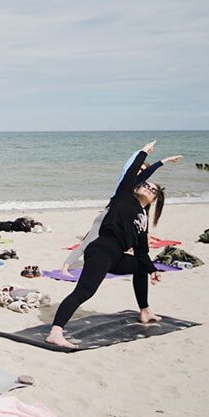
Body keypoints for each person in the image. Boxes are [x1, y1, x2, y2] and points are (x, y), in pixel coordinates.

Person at [45, 141, 175, 349]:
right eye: (146, 185)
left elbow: (142, 251)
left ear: (153, 199)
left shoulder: (142, 218)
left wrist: (152, 270)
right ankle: (56, 331)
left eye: (152, 189)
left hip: (116, 256)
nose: (147, 187)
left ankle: (145, 311)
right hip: (101, 250)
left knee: (140, 266)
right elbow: (133, 173)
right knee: (85, 291)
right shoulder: (123, 197)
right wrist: (147, 154)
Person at [59, 148, 182, 274]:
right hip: (107, 216)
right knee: (87, 243)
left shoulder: (138, 189)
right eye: (139, 169)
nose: (141, 172)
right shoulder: (125, 183)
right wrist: (147, 153)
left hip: (118, 222)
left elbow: (142, 216)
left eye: (143, 171)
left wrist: (164, 161)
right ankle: (65, 268)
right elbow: (133, 166)